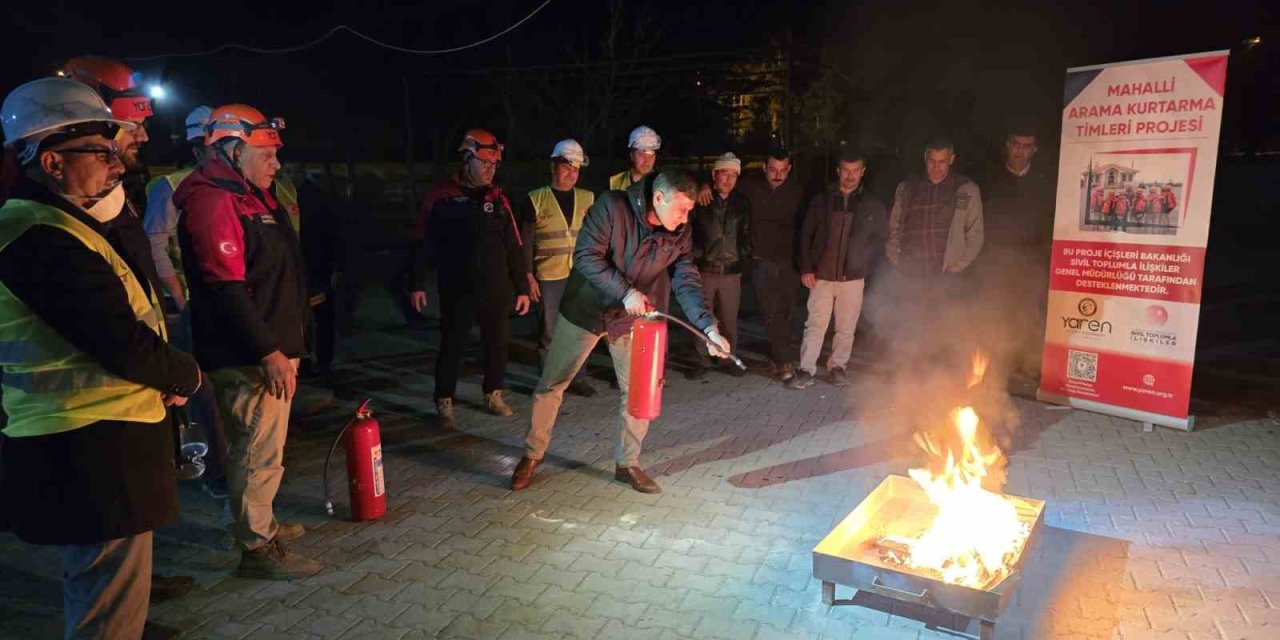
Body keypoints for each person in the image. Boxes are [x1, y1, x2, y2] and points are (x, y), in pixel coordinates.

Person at [0, 77, 202, 639]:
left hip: (89, 442)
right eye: (100, 151)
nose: (116, 164)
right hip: (88, 447)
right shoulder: (36, 234)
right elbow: (115, 338)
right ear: (52, 162)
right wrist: (185, 372)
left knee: (102, 585)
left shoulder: (56, 224)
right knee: (105, 601)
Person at [63, 54, 199, 602]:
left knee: (119, 549)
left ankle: (133, 587)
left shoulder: (103, 203)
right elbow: (105, 326)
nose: (140, 136)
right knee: (100, 553)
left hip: (125, 400)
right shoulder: (51, 223)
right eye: (128, 126)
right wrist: (177, 370)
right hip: (86, 418)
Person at [511, 170, 731, 494]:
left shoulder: (680, 232)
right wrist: (626, 291)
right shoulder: (612, 207)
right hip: (586, 308)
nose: (687, 217)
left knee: (638, 391)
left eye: (690, 210)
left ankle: (627, 463)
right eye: (682, 209)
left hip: (630, 319)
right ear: (658, 198)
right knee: (553, 383)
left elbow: (686, 279)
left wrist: (708, 327)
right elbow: (586, 257)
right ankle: (532, 454)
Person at [174, 104, 320, 580]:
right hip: (250, 356)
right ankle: (256, 549)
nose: (277, 164)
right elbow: (225, 288)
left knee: (261, 448)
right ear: (232, 151)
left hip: (273, 349)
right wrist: (269, 351)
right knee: (257, 451)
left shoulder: (251, 195)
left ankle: (262, 522)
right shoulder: (214, 201)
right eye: (266, 154)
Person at [409, 130, 531, 429]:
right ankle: (444, 400)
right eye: (484, 163)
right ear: (467, 160)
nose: (490, 169)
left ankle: (493, 394)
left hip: (495, 287)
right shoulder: (441, 197)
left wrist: (523, 287)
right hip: (456, 288)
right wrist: (416, 283)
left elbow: (514, 245)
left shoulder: (499, 199)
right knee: (453, 344)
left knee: (496, 343)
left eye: (494, 164)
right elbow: (421, 243)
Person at [142, 105, 231, 502]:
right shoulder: (173, 186)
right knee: (205, 395)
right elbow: (155, 244)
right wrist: (180, 298)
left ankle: (237, 475)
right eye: (215, 147)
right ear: (198, 148)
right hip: (196, 307)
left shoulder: (235, 187)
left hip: (229, 304)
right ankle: (217, 475)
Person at [788, 150, 887, 389]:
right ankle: (806, 369)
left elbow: (879, 240)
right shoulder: (822, 200)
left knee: (846, 328)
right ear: (838, 171)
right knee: (815, 325)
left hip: (853, 278)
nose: (850, 176)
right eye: (846, 171)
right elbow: (805, 234)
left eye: (855, 171)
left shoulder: (871, 204)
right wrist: (806, 268)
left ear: (862, 172)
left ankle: (838, 367)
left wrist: (865, 267)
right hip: (821, 276)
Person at [885, 138, 983, 364]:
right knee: (913, 321)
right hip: (912, 268)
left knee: (945, 322)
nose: (936, 167)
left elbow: (975, 232)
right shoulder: (907, 188)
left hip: (946, 270)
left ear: (951, 160)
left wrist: (959, 263)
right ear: (925, 159)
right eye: (932, 161)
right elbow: (894, 226)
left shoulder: (965, 189)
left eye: (942, 162)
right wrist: (896, 259)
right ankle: (912, 371)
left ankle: (942, 374)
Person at [974, 126, 1055, 379]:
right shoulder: (989, 180)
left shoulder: (1044, 183)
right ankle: (993, 367)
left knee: (1028, 314)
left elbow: (1051, 222)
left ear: (1034, 150)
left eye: (1026, 146)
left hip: (1031, 262)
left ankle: (1029, 368)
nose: (1020, 151)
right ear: (1007, 146)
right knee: (994, 313)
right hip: (994, 260)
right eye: (1016, 145)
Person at [519, 139, 596, 397]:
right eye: (567, 167)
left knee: (581, 329)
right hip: (548, 276)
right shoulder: (535, 199)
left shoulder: (588, 198)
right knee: (550, 332)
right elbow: (526, 242)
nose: (572, 173)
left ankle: (579, 378)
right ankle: (550, 383)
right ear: (554, 166)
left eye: (576, 169)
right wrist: (528, 276)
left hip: (580, 276)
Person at [737, 148, 806, 381]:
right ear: (764, 168)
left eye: (783, 170)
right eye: (773, 170)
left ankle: (779, 356)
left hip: (789, 260)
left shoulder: (798, 192)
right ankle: (783, 361)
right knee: (770, 311)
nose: (777, 175)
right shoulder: (750, 187)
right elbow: (724, 184)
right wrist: (705, 187)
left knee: (786, 310)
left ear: (789, 169)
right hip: (761, 259)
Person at [687, 152, 751, 380]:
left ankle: (728, 357)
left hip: (731, 270)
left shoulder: (742, 201)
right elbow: (689, 228)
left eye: (734, 175)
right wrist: (696, 255)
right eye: (725, 173)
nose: (729, 179)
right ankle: (701, 360)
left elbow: (745, 233)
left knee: (730, 319)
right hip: (705, 268)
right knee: (702, 316)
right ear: (715, 175)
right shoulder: (702, 199)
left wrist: (743, 256)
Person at [608, 125, 661, 191]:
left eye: (651, 155)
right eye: (641, 154)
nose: (647, 161)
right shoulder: (615, 182)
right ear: (631, 156)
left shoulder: (664, 184)